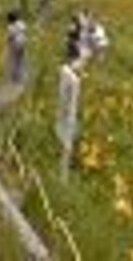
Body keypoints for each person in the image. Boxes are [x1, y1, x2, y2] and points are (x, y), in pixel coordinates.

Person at [56, 54, 82, 182]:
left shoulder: (72, 78)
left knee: (71, 126)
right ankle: (68, 161)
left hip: (68, 117)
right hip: (66, 119)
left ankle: (69, 161)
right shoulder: (71, 77)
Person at [5, 10, 28, 83]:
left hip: (15, 44)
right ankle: (22, 77)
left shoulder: (10, 27)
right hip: (23, 42)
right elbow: (25, 30)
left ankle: (15, 77)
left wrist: (8, 43)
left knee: (14, 60)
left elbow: (10, 37)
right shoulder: (21, 24)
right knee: (21, 60)